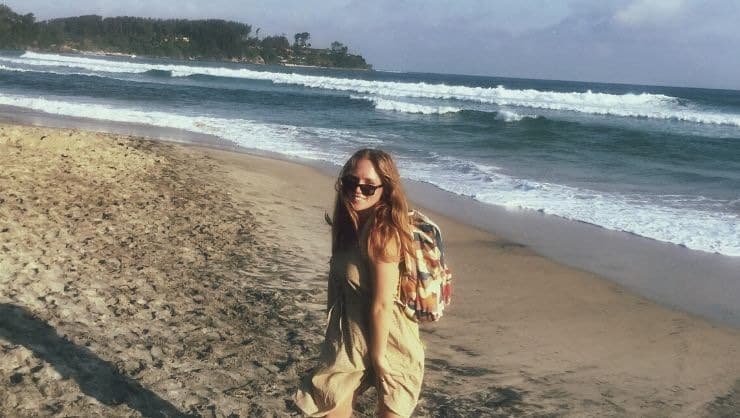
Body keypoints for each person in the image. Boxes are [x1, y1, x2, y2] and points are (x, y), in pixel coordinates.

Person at [294, 149, 425, 417]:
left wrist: (378, 357)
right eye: (351, 182)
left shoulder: (383, 233)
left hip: (391, 339)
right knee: (328, 405)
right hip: (351, 337)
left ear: (385, 189)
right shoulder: (348, 224)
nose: (358, 191)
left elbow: (382, 304)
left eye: (368, 187)